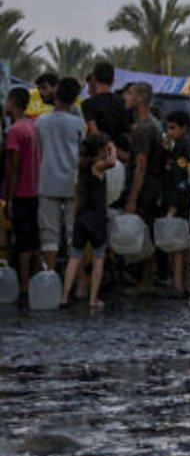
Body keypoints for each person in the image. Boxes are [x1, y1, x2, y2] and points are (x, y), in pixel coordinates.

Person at [60, 134, 116, 309]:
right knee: (99, 257)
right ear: (99, 150)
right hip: (96, 218)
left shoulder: (83, 165)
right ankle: (93, 299)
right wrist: (112, 147)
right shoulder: (97, 166)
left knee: (75, 257)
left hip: (81, 216)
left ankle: (64, 296)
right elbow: (112, 162)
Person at [36, 77, 85, 275]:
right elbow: (83, 152)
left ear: (56, 95)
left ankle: (51, 276)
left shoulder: (41, 122)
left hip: (47, 182)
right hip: (73, 183)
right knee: (74, 235)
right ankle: (76, 281)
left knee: (49, 235)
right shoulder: (78, 124)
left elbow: (39, 150)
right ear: (74, 100)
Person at [123, 82, 165, 290]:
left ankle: (145, 281)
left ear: (140, 98)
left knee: (145, 232)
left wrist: (132, 199)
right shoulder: (155, 124)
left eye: (130, 94)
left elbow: (140, 167)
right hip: (155, 185)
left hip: (146, 187)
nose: (126, 97)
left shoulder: (144, 128)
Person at [4, 88, 41, 296]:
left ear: (13, 103)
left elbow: (14, 169)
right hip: (36, 189)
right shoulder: (32, 126)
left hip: (21, 193)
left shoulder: (15, 131)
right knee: (33, 239)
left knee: (23, 241)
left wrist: (9, 199)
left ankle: (24, 285)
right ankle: (34, 280)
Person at [161, 110, 190, 296]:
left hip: (178, 201)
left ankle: (178, 283)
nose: (169, 131)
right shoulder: (182, 147)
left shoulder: (181, 149)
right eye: (168, 128)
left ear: (184, 128)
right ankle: (186, 282)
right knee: (184, 241)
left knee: (178, 244)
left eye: (173, 128)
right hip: (184, 199)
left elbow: (179, 177)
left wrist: (173, 204)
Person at [82, 61, 131, 159]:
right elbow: (132, 131)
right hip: (124, 156)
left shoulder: (88, 104)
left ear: (94, 79)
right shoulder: (123, 102)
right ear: (113, 80)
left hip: (102, 157)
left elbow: (95, 134)